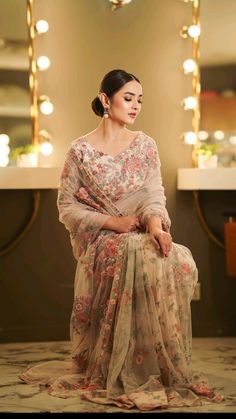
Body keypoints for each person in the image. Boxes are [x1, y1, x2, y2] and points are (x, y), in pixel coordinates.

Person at [20, 69, 223, 411]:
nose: (135, 106)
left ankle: (157, 366)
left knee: (176, 256)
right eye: (128, 98)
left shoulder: (145, 146)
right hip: (103, 240)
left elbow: (153, 195)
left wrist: (157, 227)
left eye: (139, 100)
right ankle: (124, 367)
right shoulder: (80, 151)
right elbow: (67, 207)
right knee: (134, 249)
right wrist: (114, 222)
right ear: (105, 99)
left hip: (144, 232)